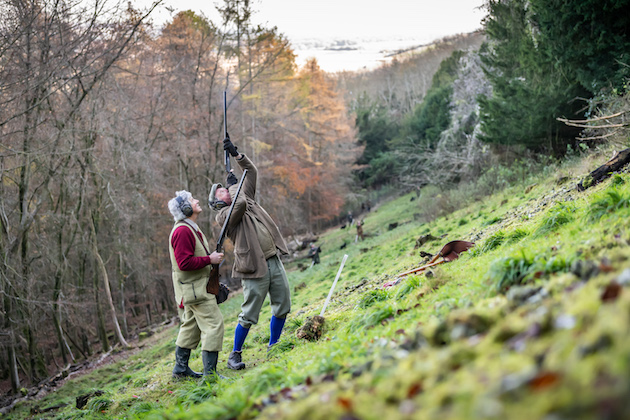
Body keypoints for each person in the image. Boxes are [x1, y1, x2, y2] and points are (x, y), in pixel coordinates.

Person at [208, 136, 291, 371]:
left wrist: (237, 155)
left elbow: (251, 172)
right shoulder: (223, 217)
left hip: (272, 258)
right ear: (217, 204)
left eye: (224, 188)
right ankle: (235, 354)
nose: (224, 189)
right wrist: (234, 187)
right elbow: (239, 205)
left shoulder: (247, 198)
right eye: (219, 192)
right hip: (253, 267)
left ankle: (274, 345)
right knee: (249, 313)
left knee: (283, 303)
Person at [167, 191, 225, 379]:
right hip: (197, 290)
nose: (197, 201)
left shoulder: (187, 227)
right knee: (214, 325)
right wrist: (210, 259)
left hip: (192, 288)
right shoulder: (183, 230)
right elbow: (184, 263)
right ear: (185, 208)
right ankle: (210, 375)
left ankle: (180, 369)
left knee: (190, 326)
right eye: (192, 200)